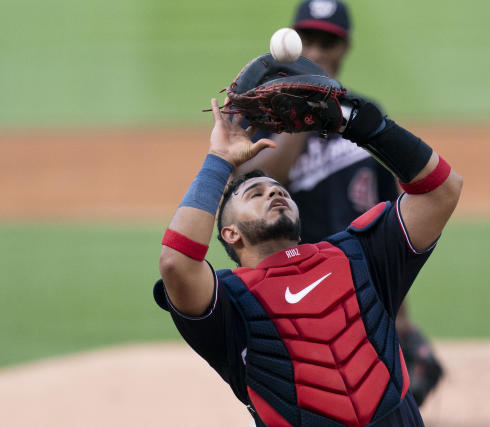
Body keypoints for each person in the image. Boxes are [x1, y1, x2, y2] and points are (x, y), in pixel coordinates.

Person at [153, 86, 462, 426]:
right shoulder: (229, 304)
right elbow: (176, 261)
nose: (273, 191)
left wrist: (355, 122)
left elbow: (442, 190)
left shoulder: (358, 253)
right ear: (231, 233)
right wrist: (220, 160)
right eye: (255, 193)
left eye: (280, 190)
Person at [237, 0, 444, 406]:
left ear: (344, 47)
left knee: (385, 393)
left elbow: (394, 220)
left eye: (328, 41)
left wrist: (400, 316)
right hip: (292, 287)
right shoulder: (265, 120)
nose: (317, 51)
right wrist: (300, 114)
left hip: (361, 281)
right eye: (308, 40)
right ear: (293, 44)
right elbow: (257, 182)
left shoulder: (363, 116)